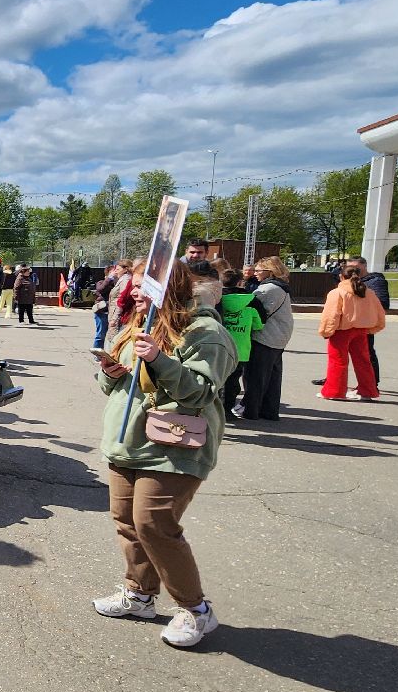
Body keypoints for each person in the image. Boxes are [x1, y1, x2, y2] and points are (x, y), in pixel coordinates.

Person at [92, 263, 235, 648]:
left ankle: (196, 611)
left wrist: (159, 359)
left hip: (174, 446)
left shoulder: (206, 333)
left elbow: (201, 392)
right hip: (127, 442)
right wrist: (110, 370)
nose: (134, 292)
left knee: (154, 524)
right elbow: (111, 386)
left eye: (143, 286)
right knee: (127, 522)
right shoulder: (136, 323)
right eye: (134, 285)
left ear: (169, 288)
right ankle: (139, 595)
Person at [312, 256, 388, 388]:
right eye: (349, 268)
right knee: (351, 359)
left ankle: (367, 385)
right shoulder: (349, 288)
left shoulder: (374, 283)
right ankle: (363, 387)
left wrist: (327, 331)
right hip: (357, 326)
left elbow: (381, 305)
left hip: (356, 326)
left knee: (360, 358)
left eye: (356, 268)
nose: (353, 270)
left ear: (364, 266)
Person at [240, 256, 293, 421]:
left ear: (270, 271)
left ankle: (251, 411)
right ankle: (269, 411)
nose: (254, 273)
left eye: (258, 270)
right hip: (279, 337)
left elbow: (253, 310)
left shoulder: (268, 289)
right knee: (273, 377)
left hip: (266, 337)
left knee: (256, 375)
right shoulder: (281, 287)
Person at [218, 269, 262, 419]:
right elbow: (259, 325)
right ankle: (228, 409)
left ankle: (214, 409)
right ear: (240, 282)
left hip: (220, 346)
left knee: (217, 379)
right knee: (232, 381)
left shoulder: (217, 298)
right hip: (240, 349)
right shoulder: (251, 301)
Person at [92, 263, 120, 349]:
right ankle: (97, 353)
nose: (116, 273)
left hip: (113, 313)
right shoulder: (101, 282)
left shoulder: (117, 284)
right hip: (102, 312)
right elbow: (101, 289)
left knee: (112, 334)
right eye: (113, 272)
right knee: (101, 335)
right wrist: (109, 279)